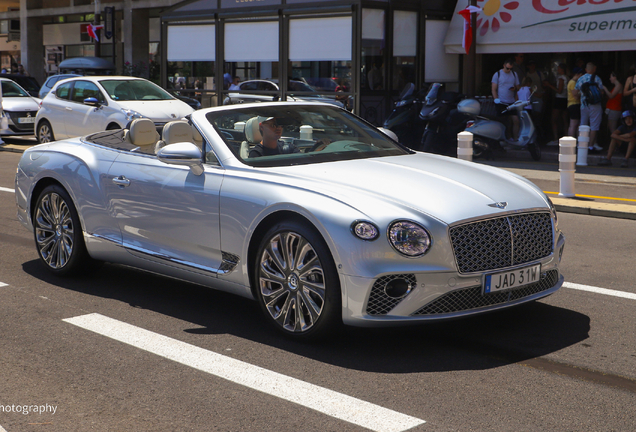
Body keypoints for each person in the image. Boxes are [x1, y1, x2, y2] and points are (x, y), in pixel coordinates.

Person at [574, 62, 604, 152]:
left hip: (584, 105)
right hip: (596, 105)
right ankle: (590, 146)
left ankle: (582, 145)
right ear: (594, 69)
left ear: (586, 70)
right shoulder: (597, 78)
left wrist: (581, 95)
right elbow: (601, 92)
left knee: (583, 125)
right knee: (594, 126)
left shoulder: (581, 78)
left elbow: (575, 92)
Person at [491, 58, 520, 140]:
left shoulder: (514, 74)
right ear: (504, 66)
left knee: (516, 120)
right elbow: (493, 88)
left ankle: (515, 139)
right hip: (501, 101)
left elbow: (518, 87)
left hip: (511, 101)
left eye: (511, 68)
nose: (509, 70)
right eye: (507, 68)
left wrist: (515, 89)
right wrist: (496, 99)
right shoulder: (497, 74)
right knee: (503, 122)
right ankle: (505, 139)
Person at [545, 63, 569, 146]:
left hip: (559, 99)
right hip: (565, 99)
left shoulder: (562, 78)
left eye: (558, 69)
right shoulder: (567, 78)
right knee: (564, 118)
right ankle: (567, 137)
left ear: (562, 69)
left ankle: (555, 138)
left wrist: (549, 85)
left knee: (554, 119)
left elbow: (559, 91)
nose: (557, 70)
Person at [602, 72, 624, 152]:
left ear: (615, 77)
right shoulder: (616, 86)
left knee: (613, 130)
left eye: (611, 77)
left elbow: (611, 96)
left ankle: (619, 146)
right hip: (611, 109)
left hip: (615, 109)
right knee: (611, 128)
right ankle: (614, 146)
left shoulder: (618, 86)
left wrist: (604, 88)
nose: (610, 78)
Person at [567, 67, 584, 137]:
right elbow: (575, 95)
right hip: (574, 104)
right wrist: (582, 92)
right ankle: (571, 141)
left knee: (576, 125)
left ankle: (576, 141)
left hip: (575, 105)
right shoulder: (573, 83)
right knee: (573, 125)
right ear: (578, 74)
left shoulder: (573, 82)